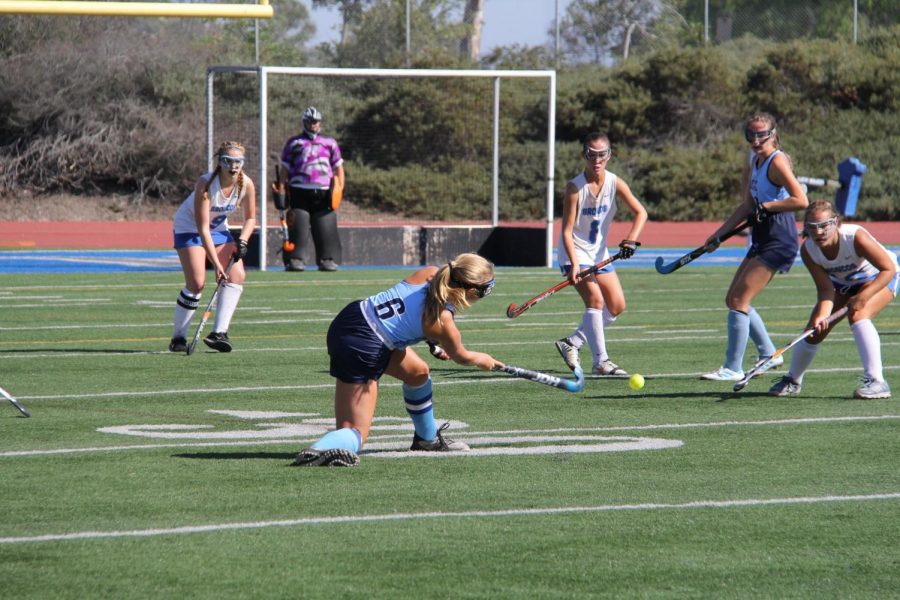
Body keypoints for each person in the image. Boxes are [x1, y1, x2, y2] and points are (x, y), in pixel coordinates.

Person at [293, 253, 502, 467]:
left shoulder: (430, 273)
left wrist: (433, 342)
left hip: (354, 316)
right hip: (365, 344)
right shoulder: (443, 322)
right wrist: (482, 359)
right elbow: (462, 356)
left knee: (417, 373)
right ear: (472, 291)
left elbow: (407, 312)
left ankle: (426, 440)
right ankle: (316, 450)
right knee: (356, 432)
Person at [701, 112, 809, 381]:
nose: (756, 139)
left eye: (762, 134)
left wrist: (770, 206)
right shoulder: (754, 160)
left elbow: (801, 200)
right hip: (762, 235)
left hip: (779, 236)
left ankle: (733, 367)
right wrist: (719, 234)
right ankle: (768, 354)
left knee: (739, 300)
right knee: (733, 300)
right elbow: (747, 206)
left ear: (773, 133)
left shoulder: (777, 161)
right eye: (751, 135)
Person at [769, 200, 898, 399]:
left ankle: (877, 381)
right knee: (814, 330)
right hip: (842, 285)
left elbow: (888, 269)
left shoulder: (855, 237)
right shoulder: (808, 251)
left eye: (824, 226)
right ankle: (793, 380)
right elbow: (825, 289)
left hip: (879, 278)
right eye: (812, 227)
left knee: (858, 314)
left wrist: (862, 297)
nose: (818, 232)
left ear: (835, 222)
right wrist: (821, 317)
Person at [553, 132, 648, 377]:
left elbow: (641, 213)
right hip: (574, 252)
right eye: (591, 154)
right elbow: (565, 231)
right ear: (584, 154)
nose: (596, 160)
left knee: (616, 306)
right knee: (595, 301)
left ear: (609, 156)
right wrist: (574, 265)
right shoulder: (575, 187)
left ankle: (572, 342)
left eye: (602, 155)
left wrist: (631, 239)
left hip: (598, 253)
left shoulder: (615, 182)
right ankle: (601, 362)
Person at [169, 141, 257, 353]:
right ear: (220, 162)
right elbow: (202, 228)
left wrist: (243, 240)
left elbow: (251, 218)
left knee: (237, 275)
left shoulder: (246, 184)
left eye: (238, 162)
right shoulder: (206, 184)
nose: (233, 166)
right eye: (228, 161)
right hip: (190, 228)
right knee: (197, 282)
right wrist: (217, 264)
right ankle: (178, 338)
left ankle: (219, 333)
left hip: (217, 229)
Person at [278, 106, 344, 272]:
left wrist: (340, 188)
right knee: (298, 223)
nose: (313, 124)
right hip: (298, 191)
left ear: (319, 122)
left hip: (323, 193)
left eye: (315, 122)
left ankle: (328, 258)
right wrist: (280, 188)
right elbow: (284, 168)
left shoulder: (330, 143)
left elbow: (338, 168)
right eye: (309, 121)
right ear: (304, 122)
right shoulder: (294, 143)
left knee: (325, 225)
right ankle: (295, 258)